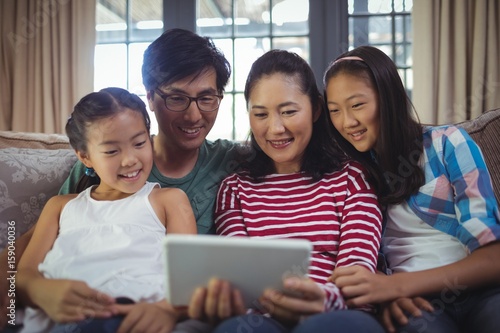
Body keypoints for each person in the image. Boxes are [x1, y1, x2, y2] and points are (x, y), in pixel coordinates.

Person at [0, 28, 249, 330]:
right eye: (177, 98)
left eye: (206, 98)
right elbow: (31, 243)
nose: (194, 115)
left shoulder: (234, 162)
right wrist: (20, 293)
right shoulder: (94, 170)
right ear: (151, 98)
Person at [188, 49, 386, 333]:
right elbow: (241, 279)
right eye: (260, 114)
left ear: (316, 109)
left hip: (335, 314)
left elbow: (358, 272)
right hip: (261, 317)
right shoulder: (235, 189)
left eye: (289, 111)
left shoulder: (351, 179)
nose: (275, 128)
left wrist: (321, 301)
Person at [323, 46, 500, 333]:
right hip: (418, 305)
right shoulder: (349, 175)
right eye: (334, 111)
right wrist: (383, 295)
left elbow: (493, 258)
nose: (347, 122)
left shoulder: (447, 144)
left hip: (480, 292)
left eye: (357, 105)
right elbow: (352, 254)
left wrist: (394, 286)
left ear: (389, 99)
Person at [16, 87, 198, 333]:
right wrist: (41, 291)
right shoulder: (60, 207)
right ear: (85, 157)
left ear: (150, 139)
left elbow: (188, 277)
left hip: (134, 318)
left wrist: (166, 309)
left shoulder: (169, 200)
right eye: (112, 151)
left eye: (139, 143)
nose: (129, 159)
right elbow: (23, 275)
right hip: (66, 319)